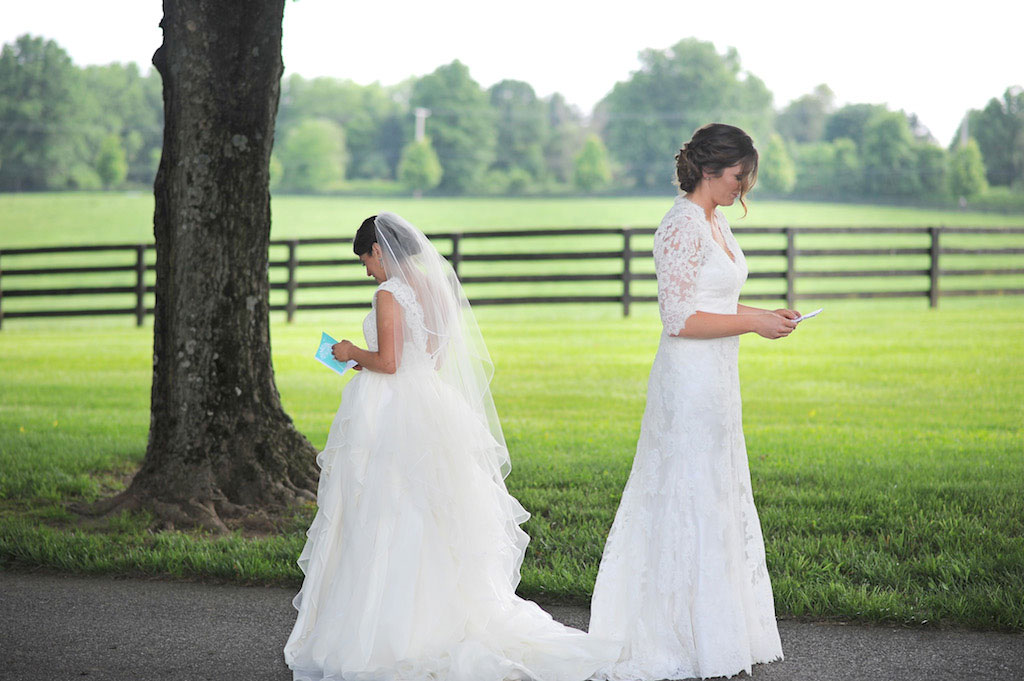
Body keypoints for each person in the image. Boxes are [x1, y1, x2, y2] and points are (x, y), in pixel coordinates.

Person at [284, 212, 612, 681]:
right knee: (435, 509)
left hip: (392, 410)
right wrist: (374, 362)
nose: (368, 271)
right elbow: (430, 359)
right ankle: (446, 615)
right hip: (432, 403)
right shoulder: (436, 288)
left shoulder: (388, 294)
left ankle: (393, 627)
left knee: (387, 507)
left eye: (366, 261)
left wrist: (350, 353)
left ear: (378, 251)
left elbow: (391, 362)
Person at [589, 123, 791, 680]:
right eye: (736, 176)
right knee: (688, 488)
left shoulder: (716, 219)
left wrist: (765, 315)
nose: (742, 187)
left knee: (718, 486)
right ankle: (672, 635)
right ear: (709, 170)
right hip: (689, 378)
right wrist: (752, 322)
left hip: (720, 376)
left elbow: (715, 296)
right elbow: (678, 318)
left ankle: (718, 630)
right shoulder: (680, 225)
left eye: (745, 177)